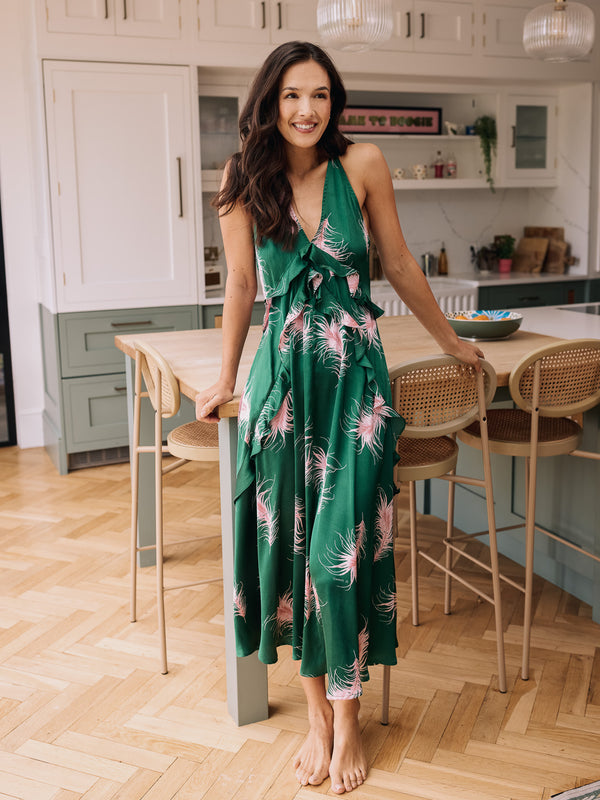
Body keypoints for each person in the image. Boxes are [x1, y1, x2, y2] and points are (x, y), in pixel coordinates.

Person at [196, 40, 483, 795]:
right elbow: (240, 289)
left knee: (338, 552)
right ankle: (319, 716)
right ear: (270, 101)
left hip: (355, 384)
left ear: (336, 102)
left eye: (320, 94)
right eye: (293, 95)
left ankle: (349, 717)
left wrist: (453, 340)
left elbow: (398, 264)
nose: (306, 109)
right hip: (282, 386)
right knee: (294, 554)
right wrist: (225, 377)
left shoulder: (364, 166)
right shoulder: (240, 179)